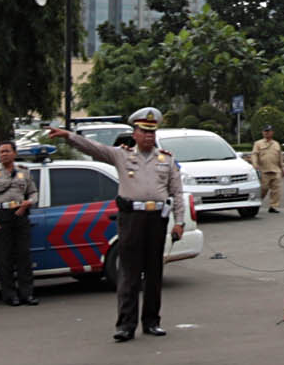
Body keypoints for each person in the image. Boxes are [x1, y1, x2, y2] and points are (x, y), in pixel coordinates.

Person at [47, 108, 184, 342]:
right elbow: (94, 149)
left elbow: (177, 192)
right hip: (132, 219)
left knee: (154, 272)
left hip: (156, 219)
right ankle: (125, 325)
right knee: (129, 273)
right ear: (135, 134)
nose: (149, 136)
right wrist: (68, 135)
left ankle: (152, 321)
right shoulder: (123, 156)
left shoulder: (167, 159)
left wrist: (179, 222)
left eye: (152, 132)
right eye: (144, 131)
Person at [0, 140, 38, 305]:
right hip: (1, 216)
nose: (4, 154)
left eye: (7, 151)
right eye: (1, 152)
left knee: (23, 256)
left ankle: (27, 294)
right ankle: (10, 295)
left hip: (20, 216)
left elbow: (33, 193)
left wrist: (29, 202)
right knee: (3, 257)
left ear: (14, 153)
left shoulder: (24, 172)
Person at [249, 124, 284, 214]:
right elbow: (254, 154)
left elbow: (280, 157)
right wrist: (255, 164)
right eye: (265, 131)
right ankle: (255, 204)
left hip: (275, 170)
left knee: (276, 190)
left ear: (272, 132)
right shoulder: (258, 143)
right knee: (263, 189)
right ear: (263, 133)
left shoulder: (276, 144)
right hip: (264, 170)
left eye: (268, 131)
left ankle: (274, 206)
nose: (267, 133)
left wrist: (282, 168)